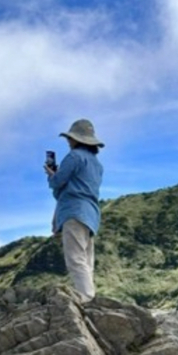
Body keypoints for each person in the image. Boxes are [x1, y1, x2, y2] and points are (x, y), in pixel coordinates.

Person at [44, 118, 104, 302]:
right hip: (91, 214)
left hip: (74, 211)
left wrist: (51, 175)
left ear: (77, 139)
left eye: (70, 138)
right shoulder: (97, 164)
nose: (68, 142)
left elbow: (58, 183)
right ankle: (89, 296)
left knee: (75, 259)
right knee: (86, 260)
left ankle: (86, 298)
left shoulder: (74, 156)